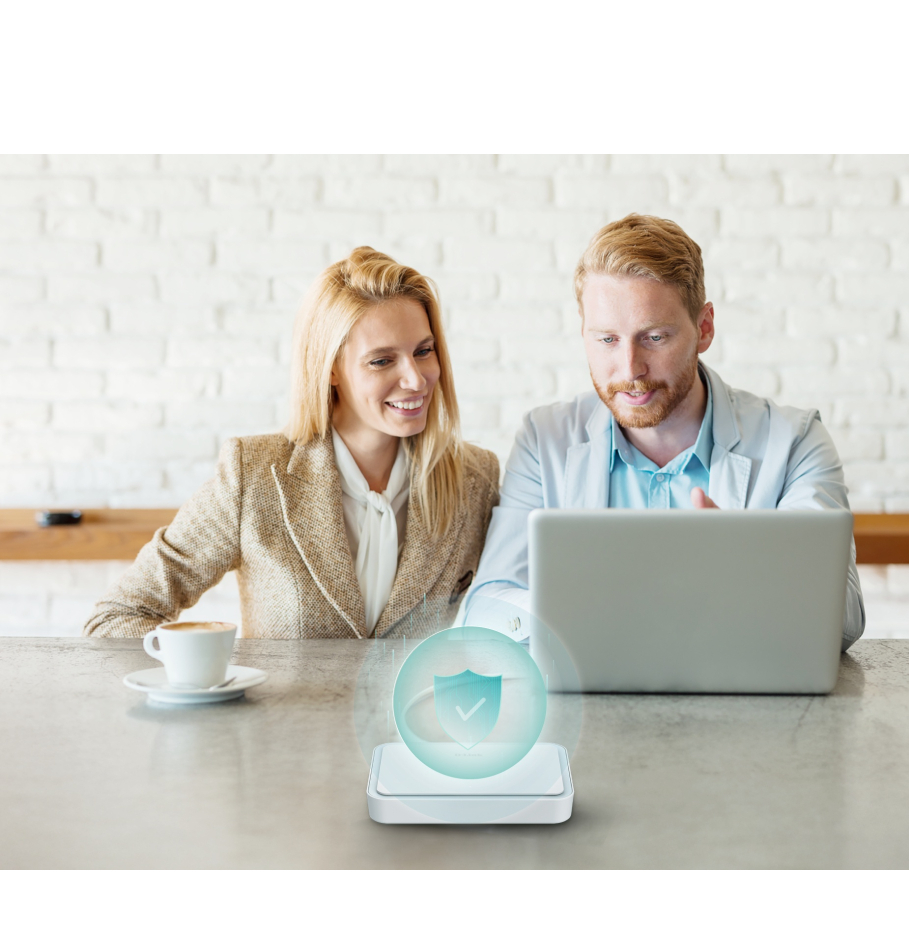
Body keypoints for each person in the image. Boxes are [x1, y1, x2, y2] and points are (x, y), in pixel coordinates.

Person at [463, 214, 865, 651]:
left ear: (704, 328)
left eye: (654, 337)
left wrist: (741, 564)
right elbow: (486, 608)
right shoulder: (545, 441)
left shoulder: (796, 442)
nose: (630, 369)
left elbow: (844, 617)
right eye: (607, 340)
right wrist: (595, 608)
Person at [85, 247, 499, 639]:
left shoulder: (475, 480)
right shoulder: (253, 476)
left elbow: (514, 609)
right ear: (330, 369)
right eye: (381, 360)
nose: (416, 378)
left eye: (424, 351)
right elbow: (115, 619)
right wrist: (205, 672)